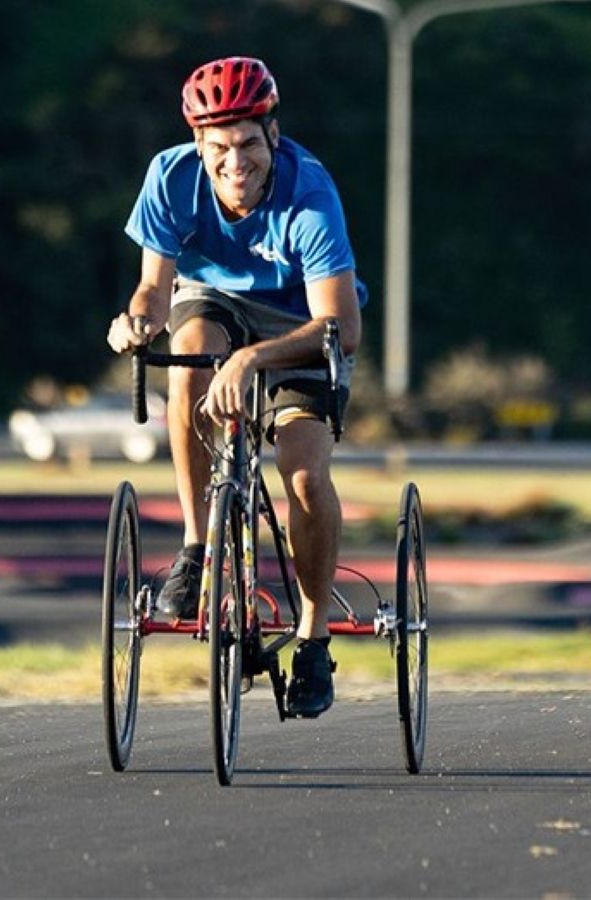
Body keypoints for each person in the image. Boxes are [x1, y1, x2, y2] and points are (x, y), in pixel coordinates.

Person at [106, 57, 365, 719]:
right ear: (199, 146)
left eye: (248, 143)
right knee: (190, 354)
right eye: (218, 147)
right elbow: (156, 291)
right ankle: (198, 545)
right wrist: (137, 322)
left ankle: (311, 634)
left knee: (304, 475)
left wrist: (252, 360)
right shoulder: (170, 178)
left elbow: (342, 325)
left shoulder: (310, 193)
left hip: (300, 324)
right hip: (214, 305)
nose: (234, 161)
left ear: (272, 135)